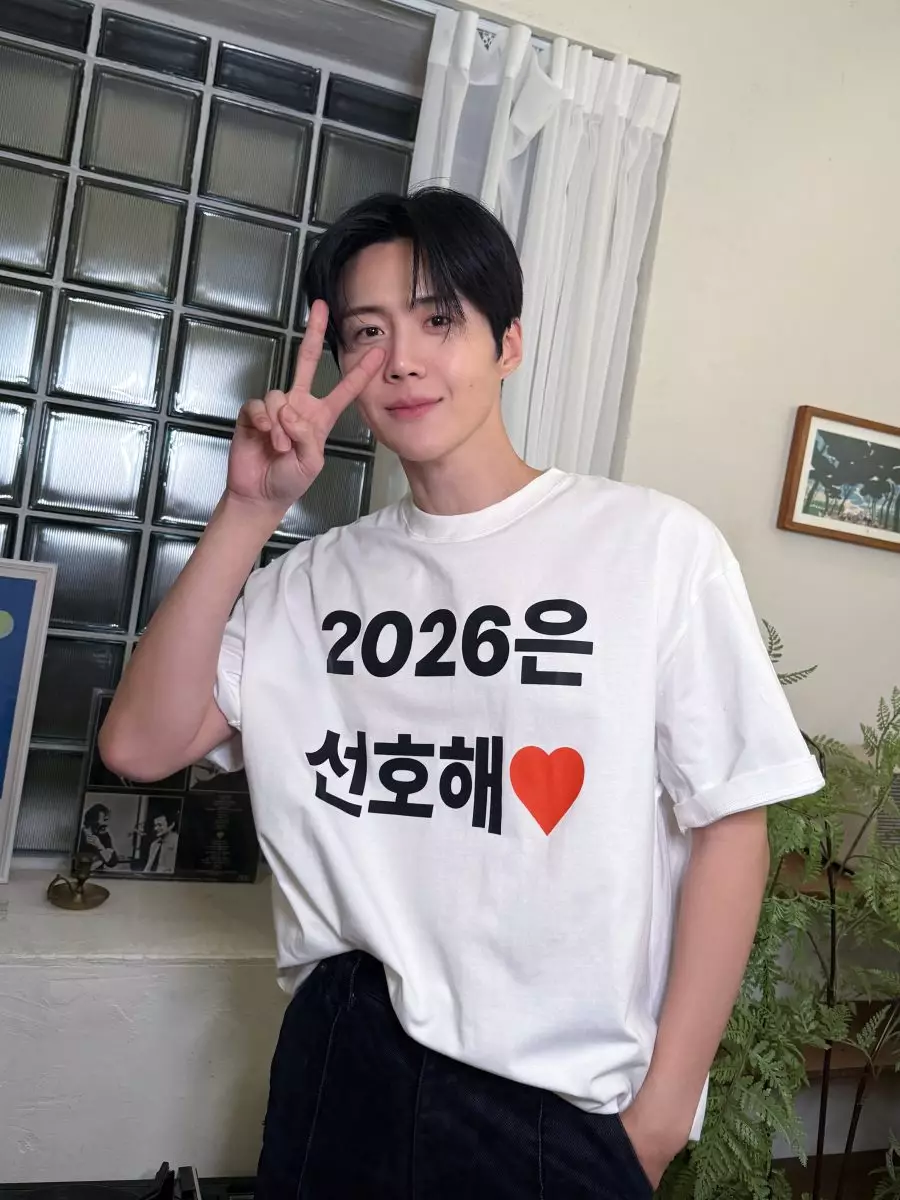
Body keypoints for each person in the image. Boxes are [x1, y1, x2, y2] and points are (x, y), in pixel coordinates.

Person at [99, 187, 824, 1198]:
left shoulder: (652, 548)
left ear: (508, 343)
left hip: (555, 1104)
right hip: (343, 1068)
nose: (401, 359)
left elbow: (731, 824)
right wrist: (248, 510)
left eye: (438, 319)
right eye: (368, 332)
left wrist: (659, 1118)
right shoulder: (307, 584)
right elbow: (139, 745)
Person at [80, 802, 120, 869]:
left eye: (105, 820)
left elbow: (113, 861)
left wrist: (99, 846)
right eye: (101, 820)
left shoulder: (104, 835)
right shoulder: (80, 835)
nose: (105, 824)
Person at [142, 807, 179, 874]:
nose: (156, 828)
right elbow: (148, 867)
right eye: (155, 825)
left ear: (171, 825)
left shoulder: (177, 843)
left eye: (160, 825)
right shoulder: (154, 844)